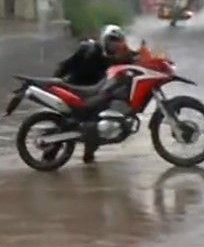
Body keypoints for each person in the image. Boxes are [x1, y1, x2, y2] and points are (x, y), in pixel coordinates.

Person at [50, 24, 138, 164]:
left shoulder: (109, 54)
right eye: (112, 40)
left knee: (92, 118)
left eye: (117, 41)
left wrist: (141, 56)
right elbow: (70, 66)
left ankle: (88, 155)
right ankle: (54, 154)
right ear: (104, 40)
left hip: (93, 90)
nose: (115, 44)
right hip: (77, 88)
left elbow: (127, 59)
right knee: (81, 121)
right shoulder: (92, 51)